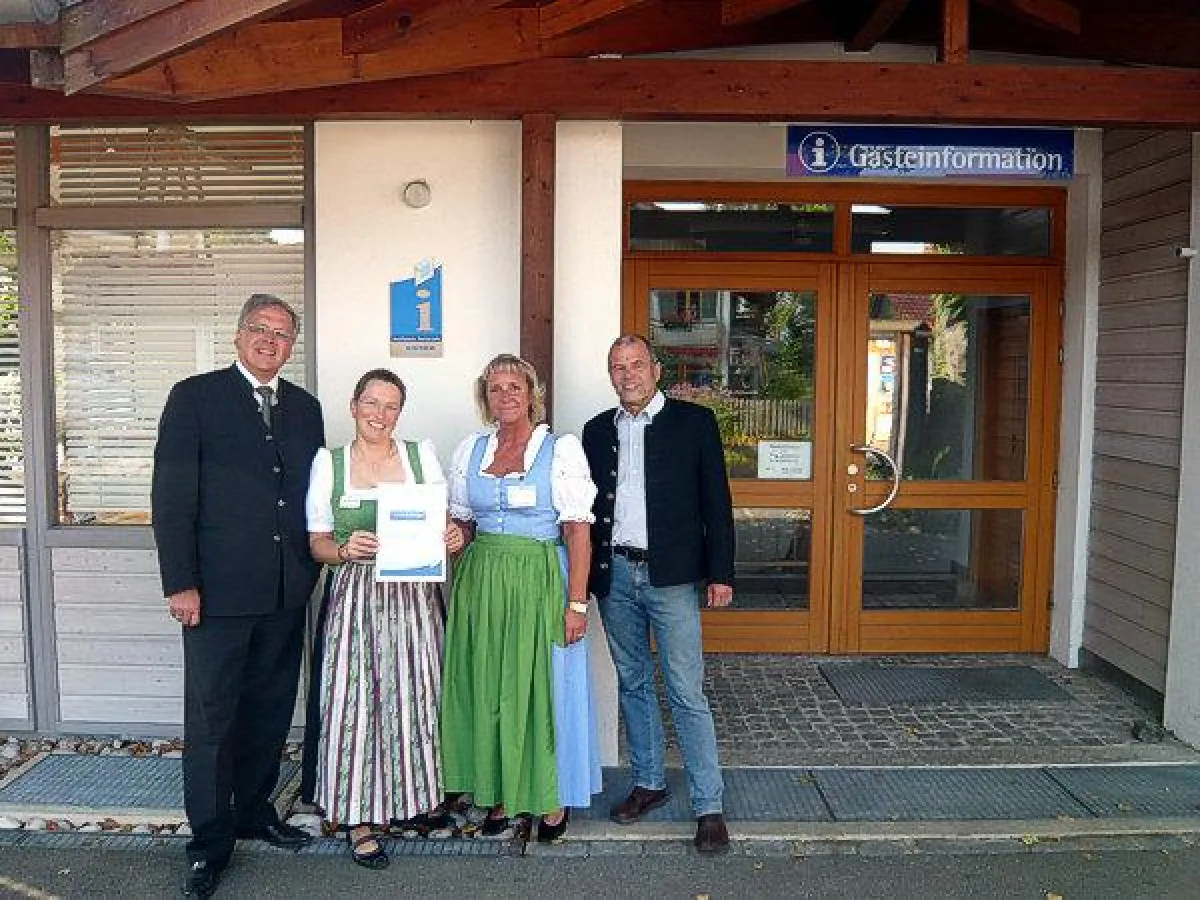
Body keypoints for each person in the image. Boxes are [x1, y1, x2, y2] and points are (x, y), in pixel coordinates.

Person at [152, 294, 325, 898]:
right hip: (216, 596)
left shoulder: (306, 409)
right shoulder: (194, 398)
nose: (269, 341)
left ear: (291, 345)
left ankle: (254, 809)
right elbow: (171, 499)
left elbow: (312, 498)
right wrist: (181, 582)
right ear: (238, 334)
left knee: (270, 710)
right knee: (212, 720)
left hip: (285, 590)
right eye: (260, 329)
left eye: (282, 334)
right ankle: (209, 842)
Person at [581, 333, 736, 856]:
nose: (627, 374)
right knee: (634, 683)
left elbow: (717, 502)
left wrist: (721, 574)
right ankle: (648, 782)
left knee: (686, 691)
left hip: (672, 578)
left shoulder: (694, 423)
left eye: (636, 364)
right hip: (616, 576)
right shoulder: (597, 430)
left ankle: (708, 806)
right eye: (617, 367)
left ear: (656, 369)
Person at [305, 368, 465, 869]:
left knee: (417, 694)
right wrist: (344, 549)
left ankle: (414, 800)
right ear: (353, 406)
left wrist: (453, 534)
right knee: (356, 701)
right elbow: (317, 545)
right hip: (355, 596)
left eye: (391, 405)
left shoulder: (421, 457)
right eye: (371, 403)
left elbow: (443, 522)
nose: (380, 414)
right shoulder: (329, 464)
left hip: (414, 595)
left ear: (401, 412)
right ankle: (359, 816)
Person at [441, 353, 602, 842]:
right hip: (483, 582)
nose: (506, 396)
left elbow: (578, 532)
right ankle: (500, 792)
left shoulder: (560, 449)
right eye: (496, 389)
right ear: (484, 398)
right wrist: (453, 539)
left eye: (515, 386)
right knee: (489, 685)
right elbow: (465, 523)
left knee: (541, 690)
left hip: (538, 579)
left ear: (533, 393)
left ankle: (548, 797)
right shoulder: (471, 449)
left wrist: (577, 604)